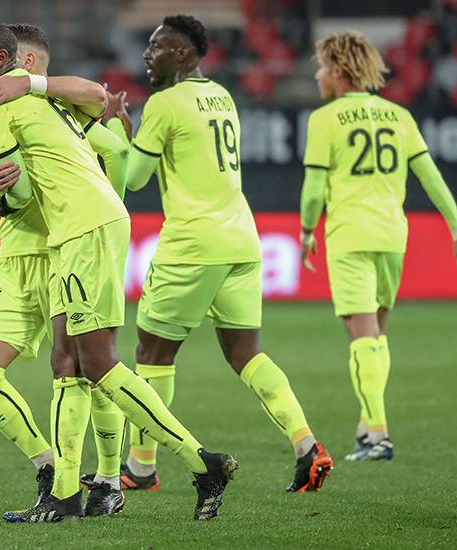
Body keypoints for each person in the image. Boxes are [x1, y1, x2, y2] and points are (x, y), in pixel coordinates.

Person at [0, 21, 238, 522]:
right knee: (70, 366)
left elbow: (24, 191)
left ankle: (200, 463)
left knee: (97, 364)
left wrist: (22, 188)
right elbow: (112, 147)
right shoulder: (60, 109)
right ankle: (72, 491)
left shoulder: (17, 103)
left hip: (79, 233)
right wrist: (106, 187)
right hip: (83, 231)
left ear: (11, 64)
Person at [97, 15, 333, 493]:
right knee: (247, 353)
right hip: (242, 240)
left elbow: (135, 180)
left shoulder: (164, 104)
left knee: (153, 353)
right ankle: (306, 444)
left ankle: (141, 467)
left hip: (193, 243)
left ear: (183, 54)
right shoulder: (221, 95)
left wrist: (117, 132)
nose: (147, 54)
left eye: (157, 46)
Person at [0, 21, 129, 518]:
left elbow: (115, 145)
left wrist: (105, 205)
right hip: (14, 259)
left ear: (21, 64)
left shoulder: (65, 108)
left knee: (84, 370)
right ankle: (49, 467)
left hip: (64, 251)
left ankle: (108, 478)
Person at [299, 31, 457, 461]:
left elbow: (312, 188)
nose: (318, 75)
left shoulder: (324, 119)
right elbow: (431, 177)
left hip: (349, 235)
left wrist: (307, 230)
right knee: (377, 336)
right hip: (393, 237)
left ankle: (378, 435)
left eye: (323, 67)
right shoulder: (399, 116)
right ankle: (367, 427)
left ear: (339, 72)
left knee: (360, 337)